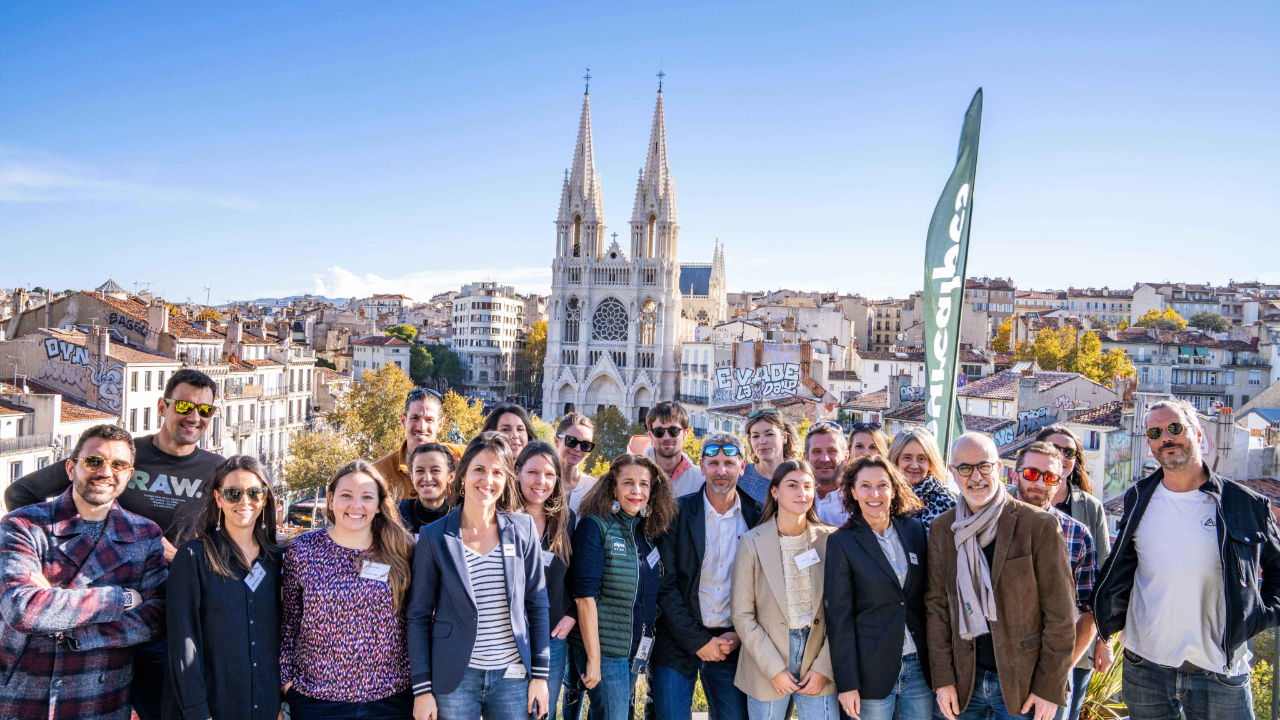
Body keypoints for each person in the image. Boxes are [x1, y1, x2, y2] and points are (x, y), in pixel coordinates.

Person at [5, 368, 221, 720]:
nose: (194, 416)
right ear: (162, 405)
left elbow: (231, 546)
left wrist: (179, 557)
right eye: (183, 405)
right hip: (91, 608)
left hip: (163, 617)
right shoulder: (118, 457)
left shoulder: (218, 470)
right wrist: (52, 556)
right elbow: (20, 492)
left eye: (205, 410)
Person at [1092, 399, 1280, 720]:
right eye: (1155, 432)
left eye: (1175, 428)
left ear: (1198, 433)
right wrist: (1105, 629)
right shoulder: (1137, 498)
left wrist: (1259, 617)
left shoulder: (1244, 504)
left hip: (1220, 671)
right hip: (1145, 667)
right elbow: (1122, 570)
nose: (1166, 437)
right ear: (1149, 442)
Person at [0, 424, 167, 720]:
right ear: (70, 468)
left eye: (118, 464)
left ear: (128, 475)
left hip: (101, 699)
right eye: (94, 461)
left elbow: (155, 618)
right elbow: (22, 609)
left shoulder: (144, 534)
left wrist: (56, 605)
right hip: (26, 694)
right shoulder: (22, 525)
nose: (105, 471)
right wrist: (123, 600)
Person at [925, 433, 1075, 720]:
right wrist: (943, 680)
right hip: (963, 684)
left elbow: (1061, 617)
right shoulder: (944, 529)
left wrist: (1048, 688)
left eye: (984, 466)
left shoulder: (1039, 526)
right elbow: (937, 609)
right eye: (965, 468)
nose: (976, 477)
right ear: (953, 473)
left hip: (1023, 686)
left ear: (998, 468)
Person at [408, 433, 551, 720]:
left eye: (498, 472)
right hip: (455, 680)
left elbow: (538, 604)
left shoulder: (522, 530)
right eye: (479, 470)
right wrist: (422, 690)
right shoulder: (434, 536)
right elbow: (418, 616)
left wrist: (540, 675)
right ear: (462, 476)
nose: (488, 480)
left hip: (512, 676)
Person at [280, 460, 416, 718]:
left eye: (367, 497)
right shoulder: (303, 551)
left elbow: (418, 620)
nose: (356, 505)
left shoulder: (402, 550)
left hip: (390, 700)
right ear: (330, 500)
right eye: (346, 496)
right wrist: (288, 685)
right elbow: (289, 621)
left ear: (378, 505)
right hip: (317, 700)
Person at [163, 455, 283, 720]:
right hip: (210, 708)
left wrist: (276, 703)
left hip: (264, 705)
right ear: (218, 499)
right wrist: (198, 713)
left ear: (264, 499)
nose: (244, 502)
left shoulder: (277, 559)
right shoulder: (193, 557)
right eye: (232, 493)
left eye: (254, 493)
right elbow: (183, 643)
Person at [654, 433, 763, 720]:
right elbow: (665, 585)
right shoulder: (675, 513)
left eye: (729, 463)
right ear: (701, 467)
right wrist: (697, 640)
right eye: (713, 463)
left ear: (743, 466)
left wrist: (740, 636)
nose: (721, 471)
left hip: (731, 641)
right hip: (678, 637)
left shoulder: (758, 517)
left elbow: (765, 587)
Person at [569, 454, 677, 720]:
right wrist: (594, 659)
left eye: (644, 484)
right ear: (613, 486)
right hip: (605, 651)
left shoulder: (645, 531)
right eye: (628, 482)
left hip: (633, 648)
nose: (636, 491)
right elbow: (584, 597)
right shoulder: (595, 526)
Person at [824, 455, 931, 720]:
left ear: (894, 490)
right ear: (853, 491)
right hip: (870, 672)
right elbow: (839, 618)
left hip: (918, 668)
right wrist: (847, 684)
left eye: (882, 485)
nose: (875, 493)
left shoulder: (914, 530)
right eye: (865, 486)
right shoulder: (842, 543)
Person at [732, 459, 837, 720]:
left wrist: (824, 666)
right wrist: (774, 669)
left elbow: (843, 612)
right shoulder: (751, 542)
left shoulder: (832, 541)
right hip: (767, 659)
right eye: (792, 485)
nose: (801, 492)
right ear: (775, 491)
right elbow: (743, 615)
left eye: (807, 486)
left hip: (818, 656)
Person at [1012, 442, 1099, 720]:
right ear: (1015, 475)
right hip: (993, 675)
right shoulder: (988, 524)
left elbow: (1090, 611)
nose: (1040, 482)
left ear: (1059, 482)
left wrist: (1056, 675)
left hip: (1051, 675)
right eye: (1031, 473)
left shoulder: (1077, 534)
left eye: (1049, 477)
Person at [1034, 425, 1113, 720]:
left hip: (1075, 643)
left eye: (1070, 452)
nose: (1063, 457)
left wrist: (1103, 642)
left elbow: (1102, 581)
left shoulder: (1089, 508)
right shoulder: (1013, 497)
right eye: (1056, 449)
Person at [514, 441, 577, 720]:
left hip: (552, 636)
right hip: (508, 636)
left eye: (550, 474)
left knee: (542, 714)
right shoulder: (500, 517)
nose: (541, 481)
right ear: (517, 473)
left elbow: (578, 574)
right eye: (532, 473)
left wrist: (572, 614)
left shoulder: (565, 519)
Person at [375, 387, 465, 502]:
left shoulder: (461, 458)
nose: (421, 427)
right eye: (415, 418)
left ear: (440, 425)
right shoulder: (380, 473)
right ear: (403, 421)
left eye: (429, 420)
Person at [887, 428, 956, 535]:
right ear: (895, 460)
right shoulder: (882, 493)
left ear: (931, 463)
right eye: (907, 457)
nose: (914, 465)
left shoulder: (945, 501)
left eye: (921, 458)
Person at [641, 401, 705, 497]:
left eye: (674, 431)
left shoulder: (701, 481)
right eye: (659, 431)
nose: (666, 437)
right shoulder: (633, 476)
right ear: (651, 435)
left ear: (685, 434)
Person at [738, 408, 802, 504]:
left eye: (769, 434)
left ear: (784, 437)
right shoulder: (739, 477)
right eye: (755, 436)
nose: (762, 441)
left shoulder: (801, 477)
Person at [398, 442, 457, 534]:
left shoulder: (459, 522)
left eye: (435, 470)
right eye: (420, 471)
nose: (427, 478)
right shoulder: (395, 513)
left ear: (450, 477)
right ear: (412, 477)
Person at [554, 412, 599, 514]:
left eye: (585, 444)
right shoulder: (541, 483)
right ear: (556, 441)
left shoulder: (595, 489)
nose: (577, 449)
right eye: (571, 441)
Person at [806, 422, 848, 527]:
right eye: (816, 451)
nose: (825, 459)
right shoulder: (795, 497)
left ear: (845, 456)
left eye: (832, 451)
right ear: (806, 458)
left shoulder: (858, 499)